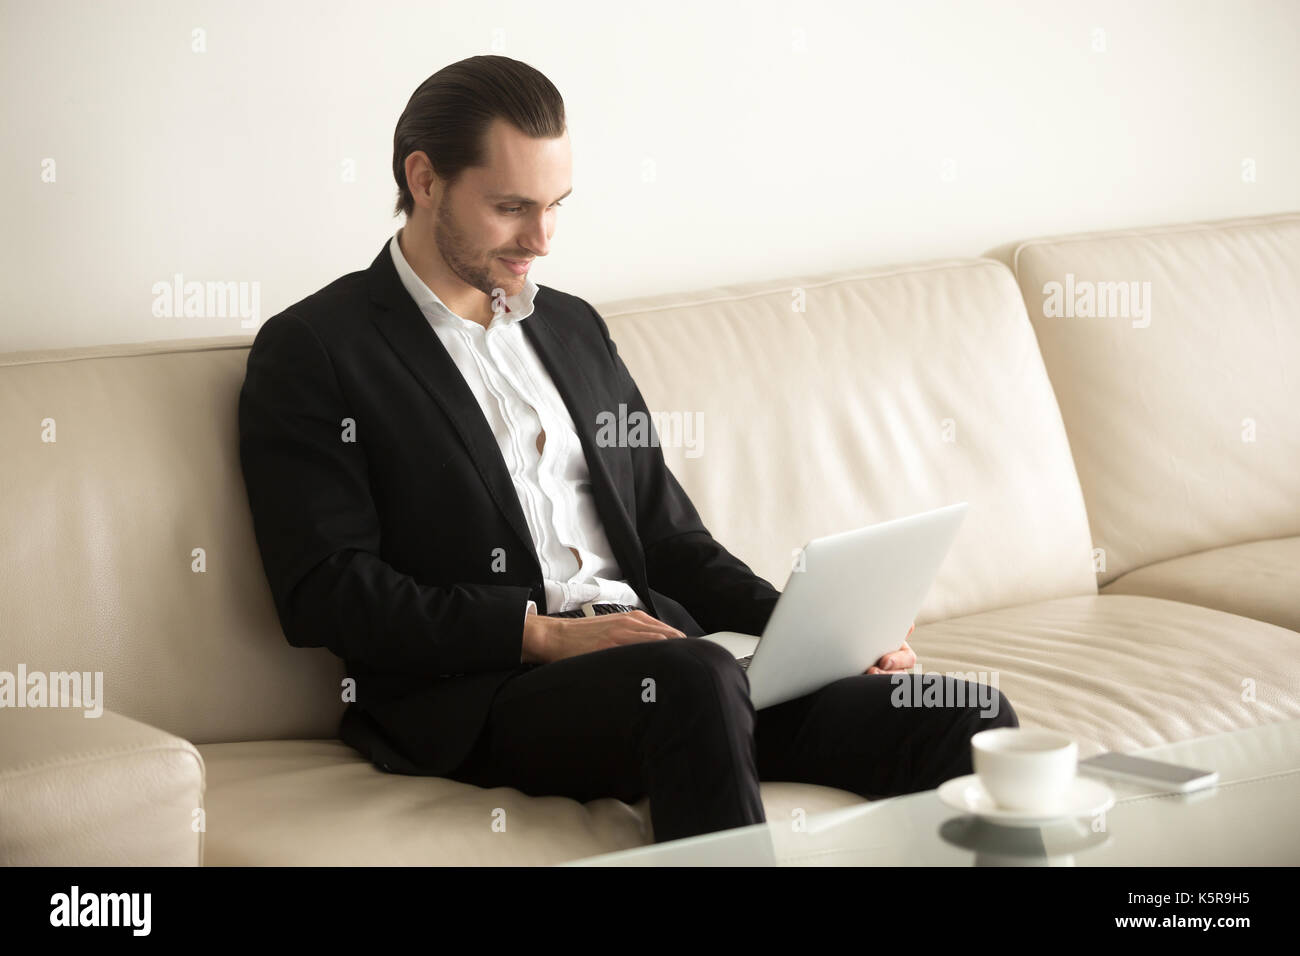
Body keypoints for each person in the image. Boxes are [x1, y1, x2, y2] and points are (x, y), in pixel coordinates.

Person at [237, 54, 1018, 846]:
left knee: (964, 713)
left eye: (555, 206)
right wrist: (541, 633)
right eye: (511, 207)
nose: (540, 238)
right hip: (492, 692)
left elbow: (672, 542)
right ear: (425, 179)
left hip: (671, 670)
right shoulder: (317, 349)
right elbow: (327, 590)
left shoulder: (572, 328)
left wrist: (814, 639)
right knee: (692, 678)